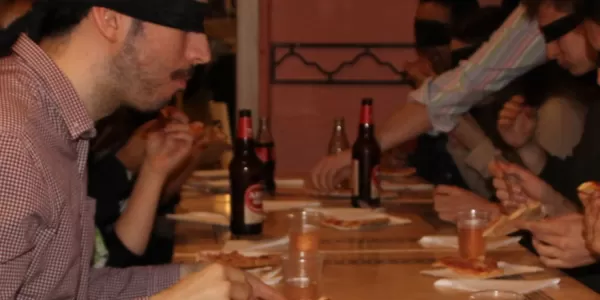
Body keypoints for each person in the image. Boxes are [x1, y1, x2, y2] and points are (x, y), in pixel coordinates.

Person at [0, 0, 283, 299]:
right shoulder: (13, 139)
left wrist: (193, 279)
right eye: (185, 23)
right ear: (110, 19)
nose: (202, 54)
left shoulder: (54, 120)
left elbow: (69, 291)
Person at [308, 3, 547, 192]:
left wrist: (363, 151)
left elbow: (459, 89)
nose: (426, 46)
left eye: (434, 34)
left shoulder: (541, 109)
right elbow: (458, 88)